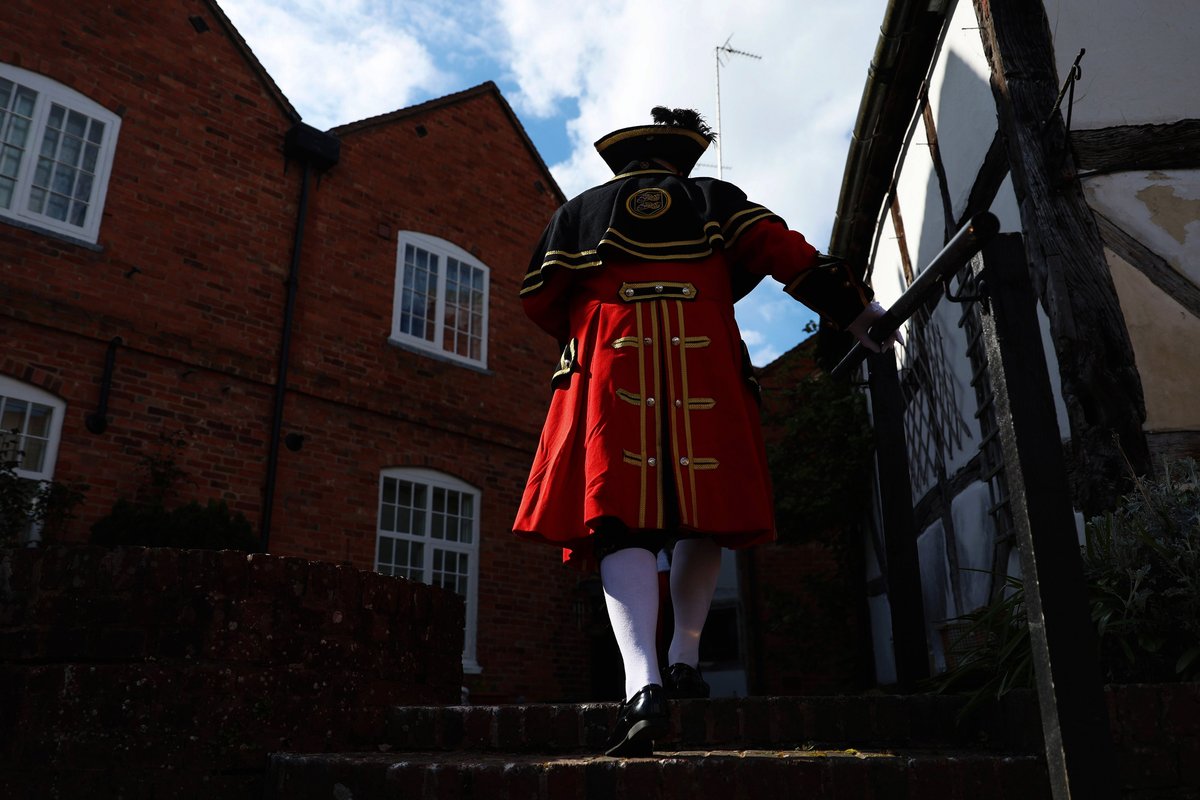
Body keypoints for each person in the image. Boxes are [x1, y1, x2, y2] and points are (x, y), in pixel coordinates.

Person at [512, 107, 897, 757]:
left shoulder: (576, 213)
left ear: (625, 162)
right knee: (704, 512)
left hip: (614, 356)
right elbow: (784, 254)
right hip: (704, 359)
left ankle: (643, 685)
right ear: (681, 159)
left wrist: (594, 319)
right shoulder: (714, 199)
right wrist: (856, 309)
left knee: (621, 520)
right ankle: (685, 656)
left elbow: (540, 298)